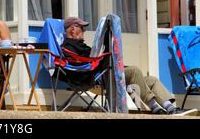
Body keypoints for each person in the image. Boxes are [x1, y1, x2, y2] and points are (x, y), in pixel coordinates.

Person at [63, 16, 198, 116]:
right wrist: (99, 57)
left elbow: (91, 57)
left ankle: (170, 108)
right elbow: (81, 64)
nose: (84, 31)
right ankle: (153, 106)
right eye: (82, 28)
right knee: (134, 71)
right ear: (73, 30)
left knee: (151, 80)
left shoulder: (80, 45)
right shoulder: (69, 46)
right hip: (98, 77)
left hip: (105, 71)